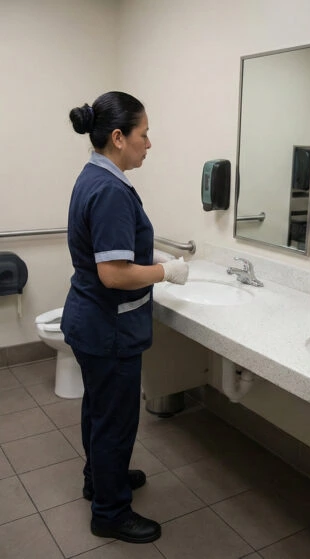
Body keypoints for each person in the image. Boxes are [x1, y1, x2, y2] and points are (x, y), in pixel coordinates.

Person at [64, 91, 189, 544]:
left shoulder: (93, 176)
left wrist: (145, 256)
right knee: (115, 420)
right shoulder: (112, 190)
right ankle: (110, 512)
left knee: (98, 409)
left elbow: (109, 252)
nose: (149, 144)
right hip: (108, 327)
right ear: (118, 137)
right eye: (144, 133)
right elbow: (114, 275)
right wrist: (166, 271)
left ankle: (98, 479)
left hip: (89, 320)